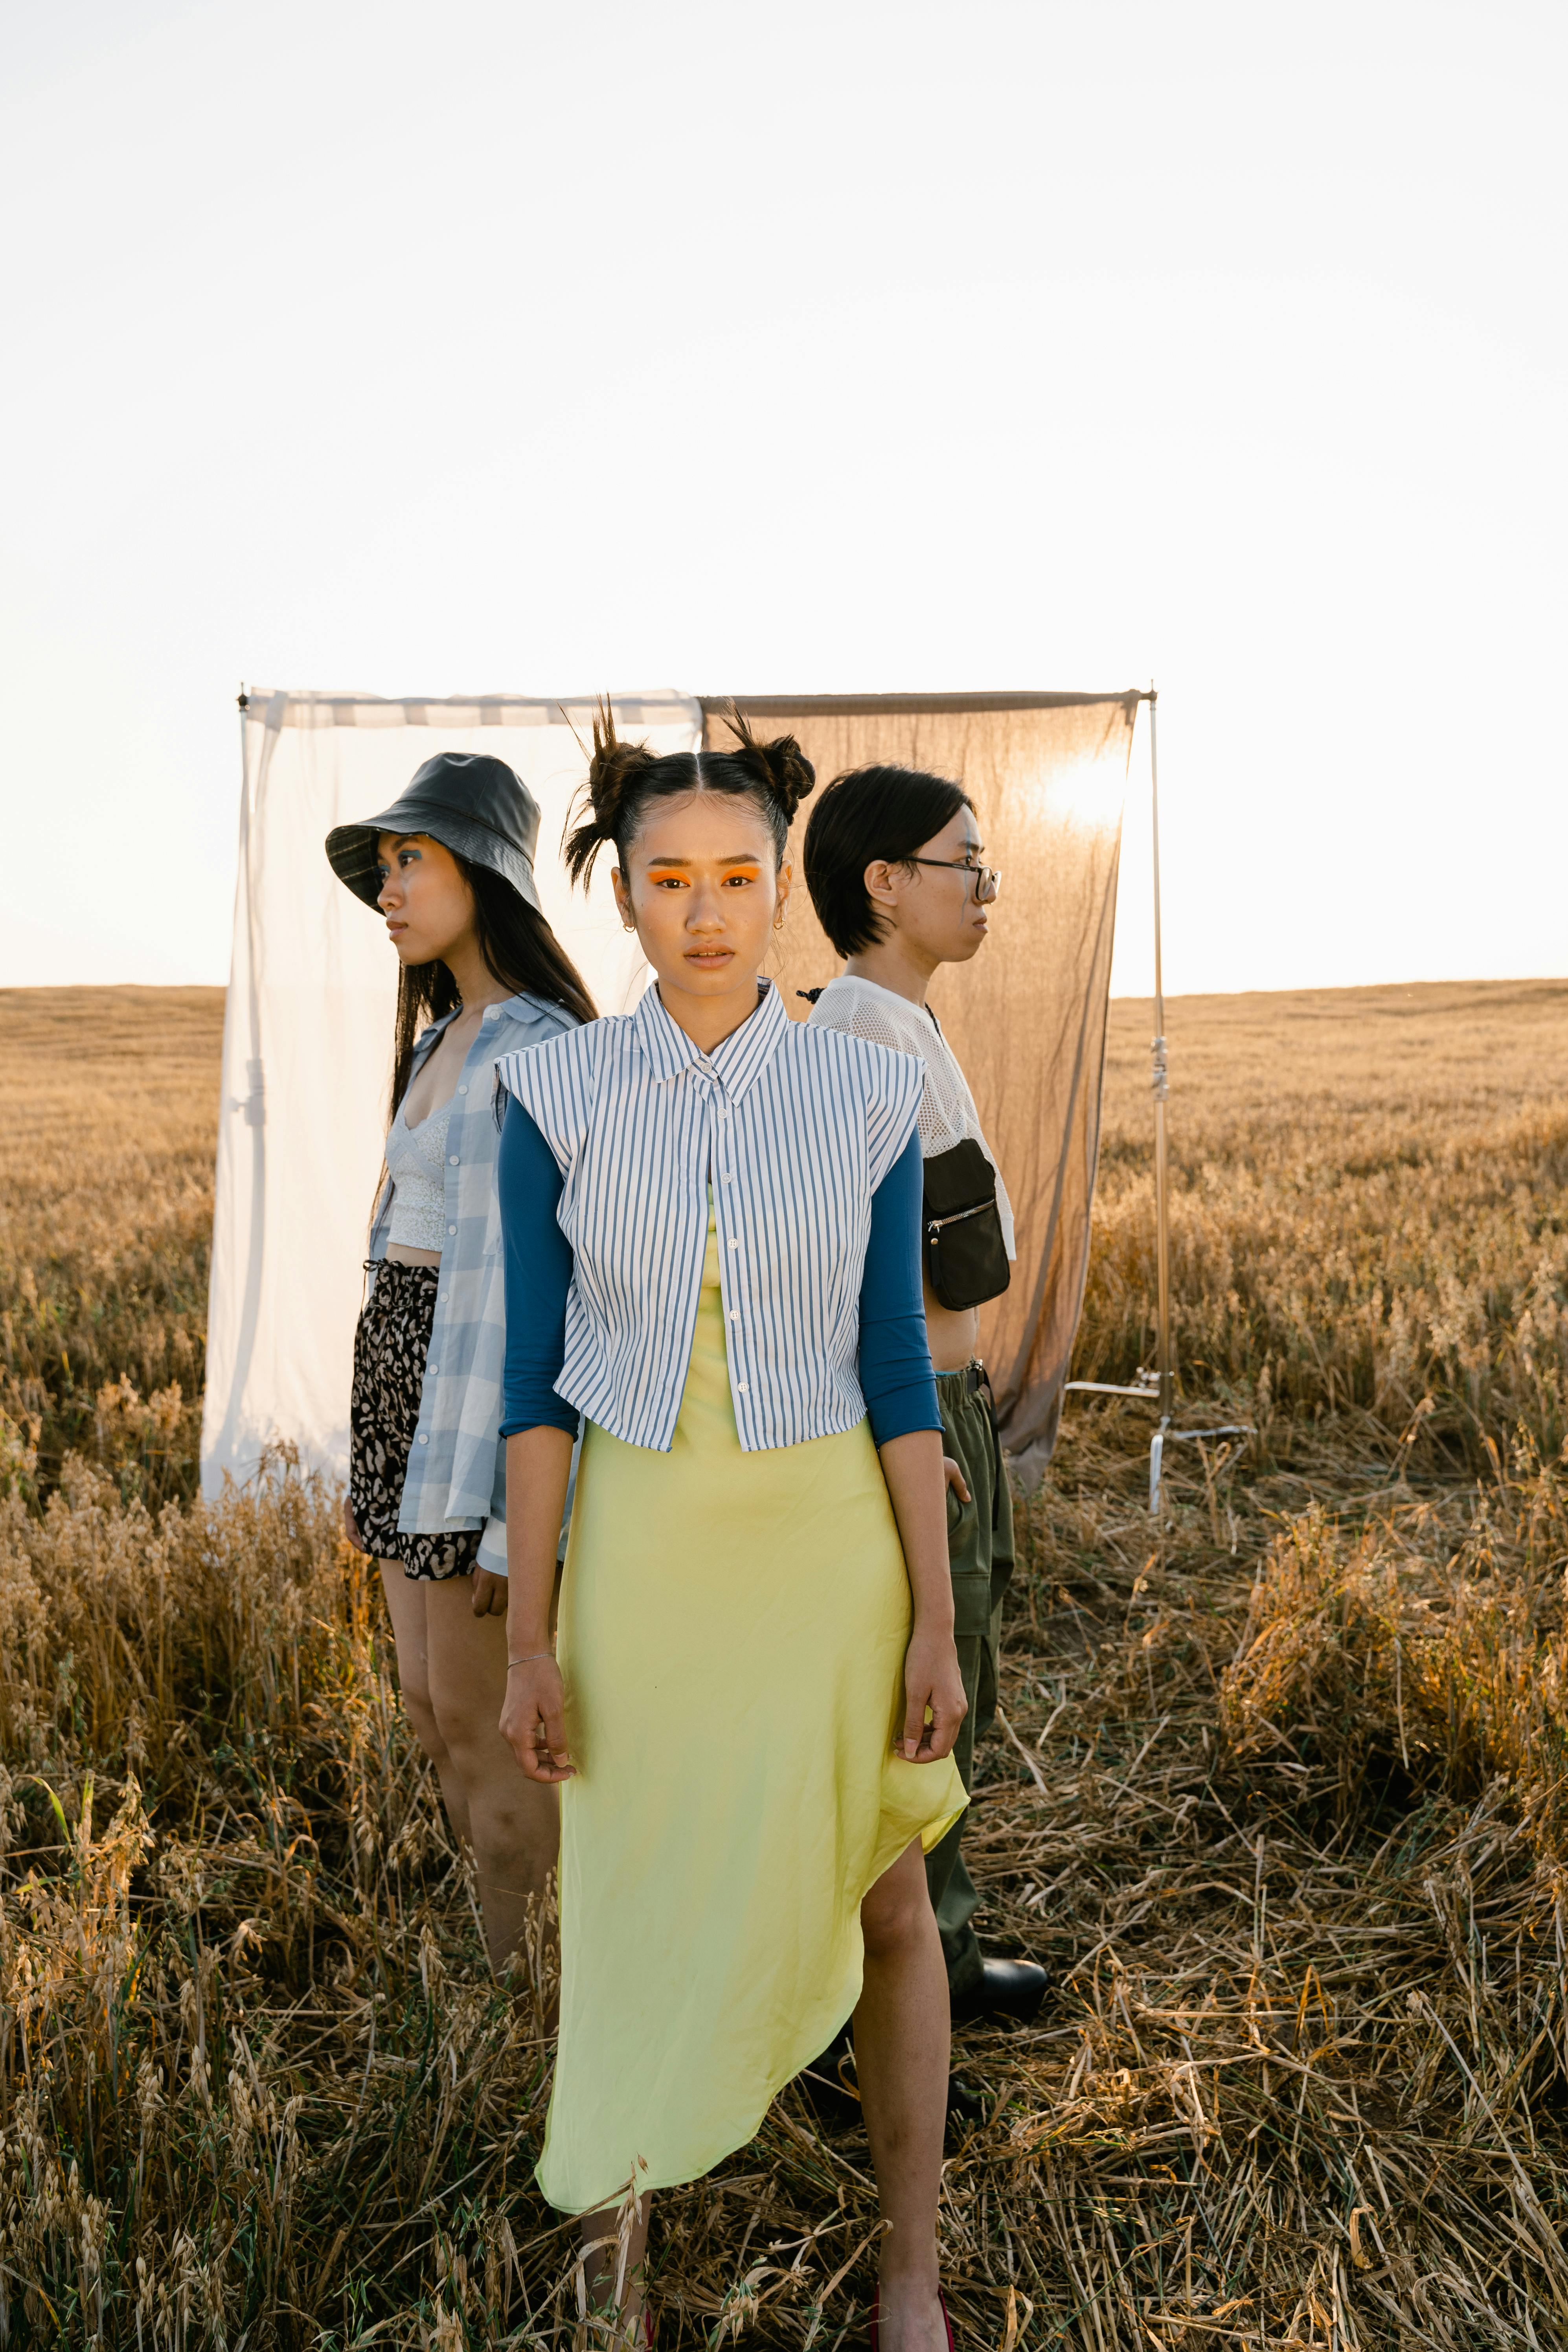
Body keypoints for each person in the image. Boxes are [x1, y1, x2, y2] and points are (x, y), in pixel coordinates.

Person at [494, 710, 968, 2352]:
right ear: (621, 893)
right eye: (667, 878)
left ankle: (907, 2270)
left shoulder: (862, 1086)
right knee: (622, 1894)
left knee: (889, 1891)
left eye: (736, 875)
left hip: (827, 1548)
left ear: (780, 884)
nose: (704, 908)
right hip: (640, 1562)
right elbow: (536, 1383)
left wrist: (933, 1617)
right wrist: (532, 1631)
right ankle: (613, 2252)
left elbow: (896, 1362)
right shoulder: (548, 1091)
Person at [325, 752, 595, 1977]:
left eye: (411, 859)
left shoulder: (545, 1048)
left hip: (473, 1405)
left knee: (490, 1740)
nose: (389, 887)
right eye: (383, 866)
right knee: (432, 1712)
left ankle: (540, 2008)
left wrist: (510, 1514)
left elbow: (565, 1297)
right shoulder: (442, 1035)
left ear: (484, 872)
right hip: (398, 1384)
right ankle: (503, 1988)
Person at [802, 764, 1047, 2029]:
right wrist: (887, 1440)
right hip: (910, 1415)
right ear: (885, 884)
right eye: (968, 863)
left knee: (957, 1691)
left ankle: (935, 1970)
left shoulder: (897, 1020)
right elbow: (831, 1277)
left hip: (954, 1401)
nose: (988, 887)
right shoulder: (850, 1035)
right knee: (916, 1708)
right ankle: (887, 2004)